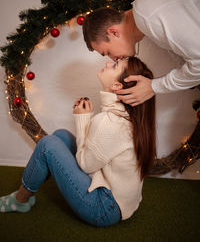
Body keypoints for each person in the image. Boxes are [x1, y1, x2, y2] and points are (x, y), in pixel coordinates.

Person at [0, 57, 156, 227]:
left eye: (115, 65)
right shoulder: (126, 115)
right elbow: (98, 150)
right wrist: (87, 120)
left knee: (47, 144)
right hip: (122, 199)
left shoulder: (110, 122)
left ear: (117, 86)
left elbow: (86, 166)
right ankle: (28, 191)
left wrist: (83, 119)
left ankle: (20, 200)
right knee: (61, 135)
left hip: (104, 209)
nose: (108, 63)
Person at [82, 0, 200, 107]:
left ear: (113, 32)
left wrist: (153, 86)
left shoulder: (149, 16)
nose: (113, 59)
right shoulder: (146, 17)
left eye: (108, 52)